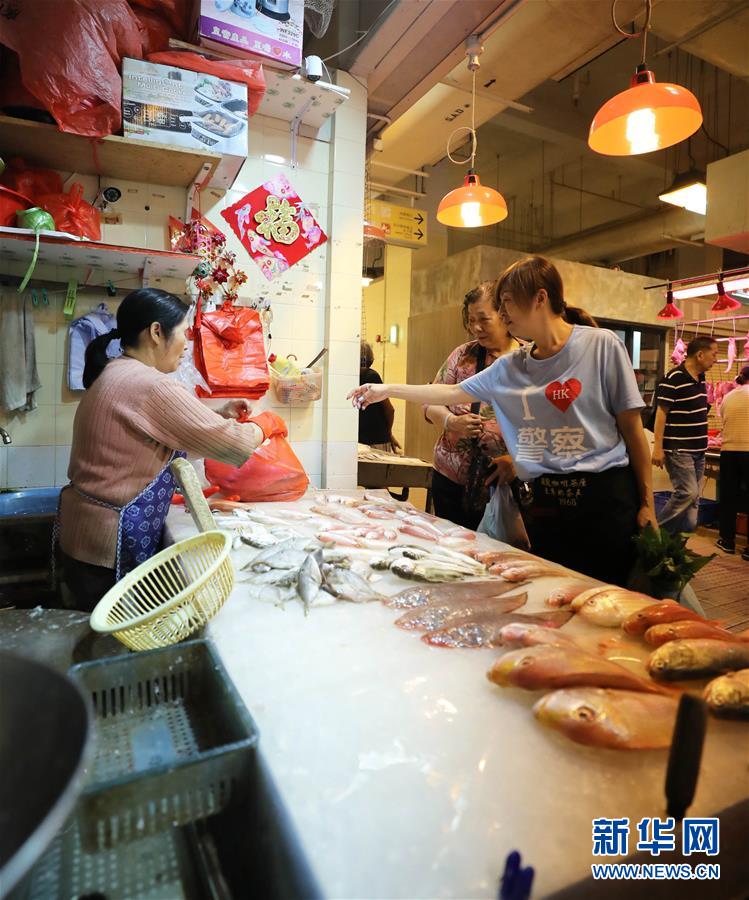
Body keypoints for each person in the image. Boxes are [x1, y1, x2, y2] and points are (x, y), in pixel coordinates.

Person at [350, 256, 655, 588]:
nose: (503, 312)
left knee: (609, 591)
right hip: (546, 499)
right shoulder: (513, 365)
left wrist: (647, 504)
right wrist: (386, 389)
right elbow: (451, 391)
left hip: (605, 498)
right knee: (554, 589)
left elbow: (633, 432)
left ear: (540, 298)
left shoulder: (602, 346)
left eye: (506, 302)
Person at [57, 288, 278, 612]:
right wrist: (268, 422)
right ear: (156, 332)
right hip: (108, 543)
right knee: (114, 638)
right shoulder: (149, 384)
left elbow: (165, 436)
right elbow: (235, 444)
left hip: (84, 538)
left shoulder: (116, 372)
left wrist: (219, 415)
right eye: (184, 332)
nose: (187, 343)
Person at [424, 281, 519, 530]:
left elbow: (546, 426)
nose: (476, 327)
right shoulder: (462, 355)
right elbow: (430, 401)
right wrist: (451, 421)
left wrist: (517, 462)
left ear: (504, 314)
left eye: (484, 319)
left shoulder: (526, 360)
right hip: (449, 478)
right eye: (471, 320)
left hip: (501, 483)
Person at [652, 336, 719, 535]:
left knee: (692, 508)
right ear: (700, 355)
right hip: (679, 449)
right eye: (714, 354)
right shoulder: (674, 378)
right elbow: (661, 414)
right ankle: (654, 534)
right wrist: (658, 448)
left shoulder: (700, 377)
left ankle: (676, 546)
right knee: (687, 493)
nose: (716, 359)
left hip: (699, 449)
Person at [716, 365, 749, 558]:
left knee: (728, 496)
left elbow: (724, 420)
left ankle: (727, 540)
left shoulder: (728, 397)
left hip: (729, 450)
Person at [358, 341, 400, 452]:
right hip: (374, 438)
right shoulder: (370, 376)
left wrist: (389, 434)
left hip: (372, 440)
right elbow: (390, 410)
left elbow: (389, 410)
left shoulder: (370, 376)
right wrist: (389, 434)